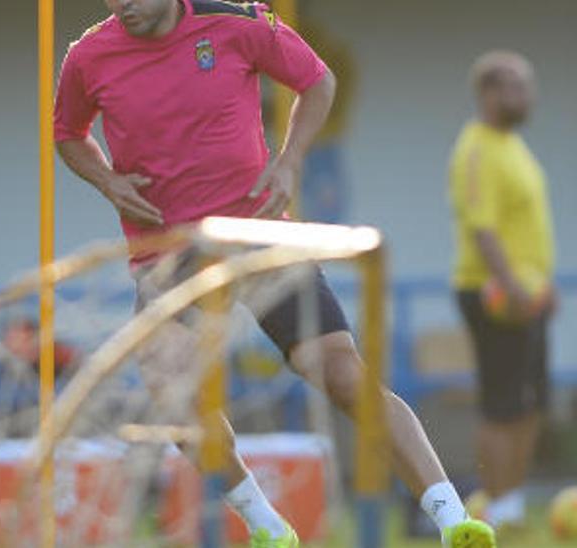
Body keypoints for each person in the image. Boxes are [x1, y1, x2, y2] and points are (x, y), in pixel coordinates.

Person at [54, 1, 493, 546]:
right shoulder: (88, 56)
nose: (123, 4)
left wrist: (289, 161)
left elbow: (317, 81)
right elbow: (68, 133)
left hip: (258, 235)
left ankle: (455, 522)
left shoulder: (237, 23)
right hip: (168, 253)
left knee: (337, 371)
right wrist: (106, 181)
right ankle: (267, 528)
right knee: (171, 395)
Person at [449, 50, 556, 531]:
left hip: (529, 295)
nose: (523, 96)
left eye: (526, 86)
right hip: (493, 293)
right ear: (487, 93)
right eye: (513, 86)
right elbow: (483, 230)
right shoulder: (477, 147)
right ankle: (495, 505)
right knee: (501, 403)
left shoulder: (514, 145)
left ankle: (511, 506)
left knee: (531, 400)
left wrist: (541, 287)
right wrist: (513, 288)